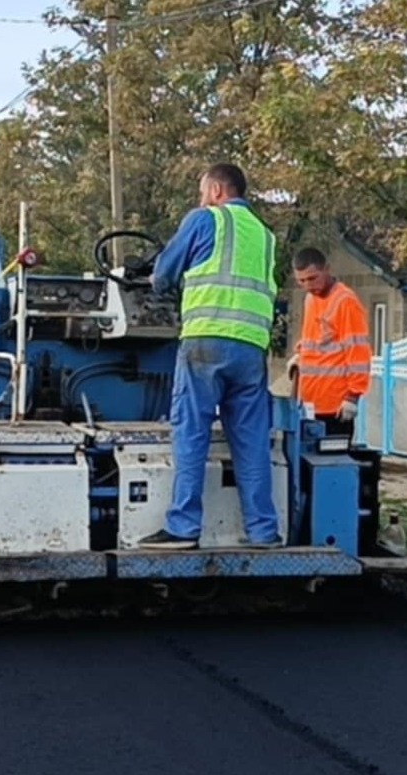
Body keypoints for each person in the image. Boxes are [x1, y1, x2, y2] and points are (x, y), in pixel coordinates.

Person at [137, 162, 282, 550]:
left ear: (217, 190)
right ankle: (264, 532)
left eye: (203, 191)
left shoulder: (206, 220)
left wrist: (158, 281)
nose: (201, 198)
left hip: (206, 341)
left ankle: (184, 528)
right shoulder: (267, 236)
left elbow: (164, 274)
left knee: (192, 431)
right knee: (251, 441)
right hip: (252, 347)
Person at [287, 247, 371, 435]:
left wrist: (353, 397)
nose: (308, 285)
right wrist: (300, 356)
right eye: (301, 281)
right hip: (309, 405)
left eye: (312, 278)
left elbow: (358, 352)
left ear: (327, 269)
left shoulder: (345, 301)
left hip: (336, 408)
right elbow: (314, 340)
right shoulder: (310, 299)